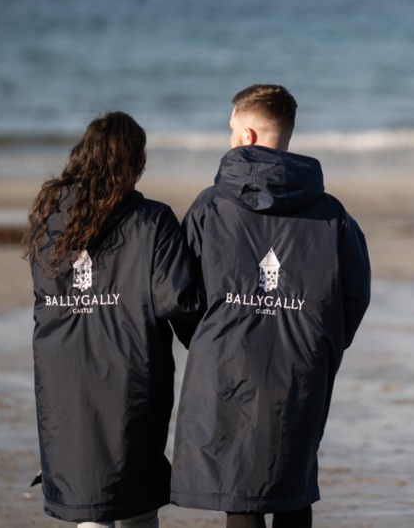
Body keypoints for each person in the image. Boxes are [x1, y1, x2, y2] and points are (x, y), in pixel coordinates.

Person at [170, 84, 372, 528]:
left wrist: (209, 340)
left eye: (229, 130)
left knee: (240, 491)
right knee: (291, 485)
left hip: (227, 363)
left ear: (247, 135)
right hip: (299, 364)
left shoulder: (210, 206)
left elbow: (180, 294)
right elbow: (356, 295)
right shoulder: (331, 214)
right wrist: (321, 342)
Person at [25, 111, 203, 528]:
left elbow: (44, 294)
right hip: (130, 368)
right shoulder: (153, 220)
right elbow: (176, 300)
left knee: (89, 494)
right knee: (135, 497)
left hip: (63, 370)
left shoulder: (48, 217)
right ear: (135, 163)